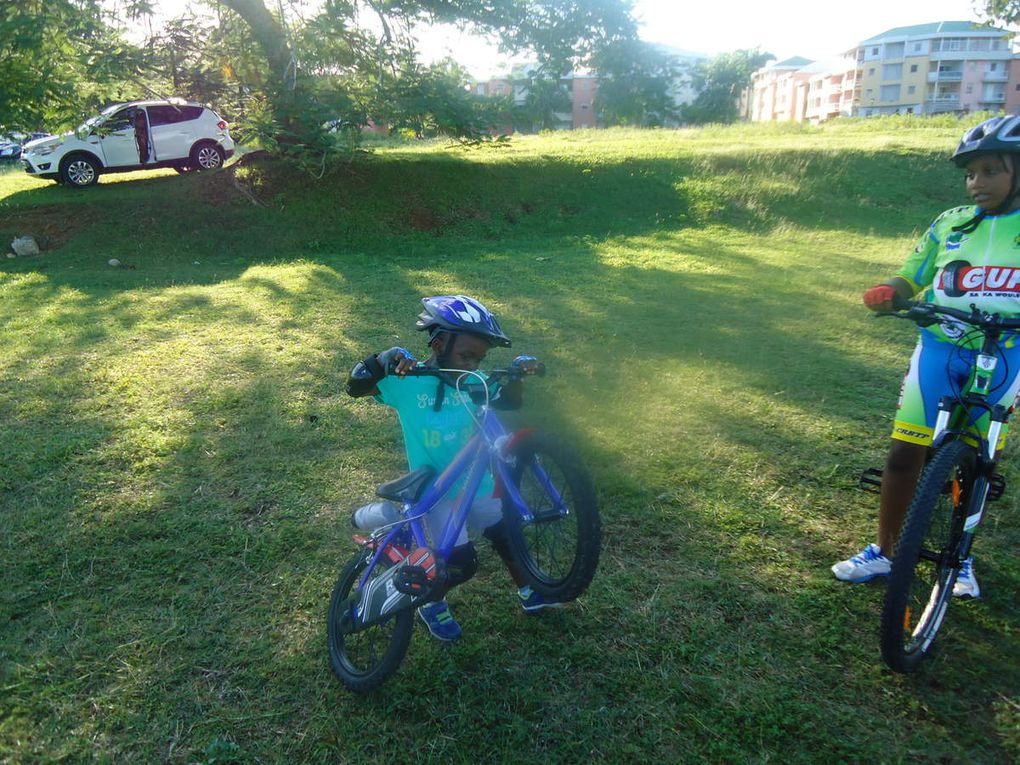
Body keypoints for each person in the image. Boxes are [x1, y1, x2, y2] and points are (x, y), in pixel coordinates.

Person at [832, 116, 1020, 599]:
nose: (976, 182)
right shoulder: (950, 222)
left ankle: (960, 558)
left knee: (978, 461)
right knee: (903, 454)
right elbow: (909, 276)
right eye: (970, 173)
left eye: (990, 171)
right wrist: (887, 291)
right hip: (941, 345)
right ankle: (885, 550)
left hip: (1006, 355)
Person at [345, 295, 558, 641]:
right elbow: (355, 386)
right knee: (458, 564)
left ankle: (531, 590)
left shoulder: (473, 383)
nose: (472, 365)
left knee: (508, 535)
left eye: (479, 359)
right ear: (440, 343)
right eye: (466, 356)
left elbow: (510, 400)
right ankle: (431, 604)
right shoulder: (407, 383)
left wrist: (517, 375)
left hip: (477, 482)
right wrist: (385, 359)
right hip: (436, 492)